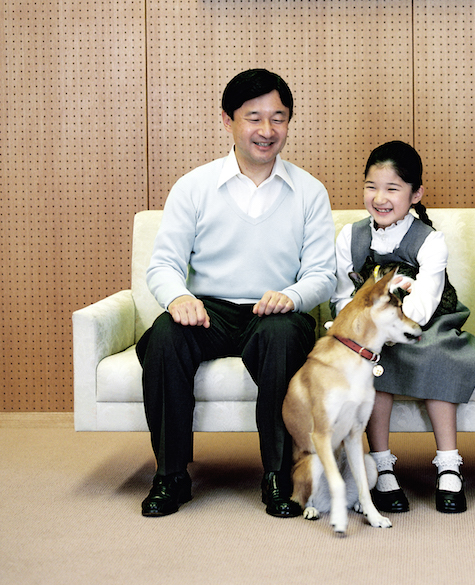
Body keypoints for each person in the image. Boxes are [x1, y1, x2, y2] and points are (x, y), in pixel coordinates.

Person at [135, 69, 336, 518]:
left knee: (283, 338)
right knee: (165, 337)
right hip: (209, 311)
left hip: (276, 311)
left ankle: (278, 477)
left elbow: (323, 273)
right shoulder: (194, 187)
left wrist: (293, 296)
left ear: (288, 122)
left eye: (278, 118)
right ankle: (170, 475)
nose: (267, 131)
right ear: (227, 120)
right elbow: (164, 264)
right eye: (254, 118)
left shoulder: (309, 191)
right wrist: (178, 298)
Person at [331, 141, 475, 514]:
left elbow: (422, 304)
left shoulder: (429, 240)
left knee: (436, 355)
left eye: (392, 188)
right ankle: (383, 467)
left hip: (425, 322)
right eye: (372, 186)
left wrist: (386, 328)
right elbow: (341, 297)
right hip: (368, 327)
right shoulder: (349, 237)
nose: (380, 198)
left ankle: (449, 464)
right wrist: (366, 332)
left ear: (415, 194)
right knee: (372, 363)